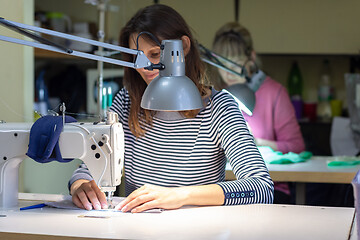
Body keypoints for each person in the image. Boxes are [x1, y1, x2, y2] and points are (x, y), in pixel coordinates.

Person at [69, 4, 274, 213]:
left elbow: (261, 188)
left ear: (183, 47)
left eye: (155, 54)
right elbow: (88, 169)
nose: (144, 66)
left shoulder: (219, 109)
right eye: (136, 57)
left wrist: (180, 195)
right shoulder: (126, 103)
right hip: (138, 230)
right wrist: (81, 185)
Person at [212, 22, 305, 203]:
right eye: (222, 64)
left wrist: (256, 142)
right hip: (223, 189)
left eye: (236, 64)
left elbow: (297, 146)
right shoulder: (214, 95)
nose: (229, 72)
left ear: (251, 58)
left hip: (270, 189)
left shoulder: (273, 93)